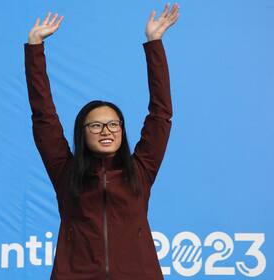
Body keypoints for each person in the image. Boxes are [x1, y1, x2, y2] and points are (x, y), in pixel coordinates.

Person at [24, 3, 180, 279]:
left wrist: (154, 43)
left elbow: (160, 114)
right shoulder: (65, 173)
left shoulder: (141, 171)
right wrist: (35, 48)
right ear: (82, 132)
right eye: (95, 125)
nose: (106, 130)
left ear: (121, 130)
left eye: (113, 124)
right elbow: (43, 117)